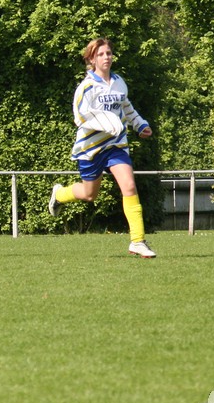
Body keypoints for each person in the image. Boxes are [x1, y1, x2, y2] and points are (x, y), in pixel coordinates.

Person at [48, 37, 157, 258]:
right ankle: (59, 194)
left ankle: (138, 241)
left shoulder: (119, 82)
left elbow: (127, 107)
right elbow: (80, 117)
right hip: (91, 148)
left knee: (129, 186)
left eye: (108, 53)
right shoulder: (86, 87)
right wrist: (104, 123)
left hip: (116, 145)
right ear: (91, 59)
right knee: (89, 194)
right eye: (100, 54)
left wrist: (140, 124)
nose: (106, 57)